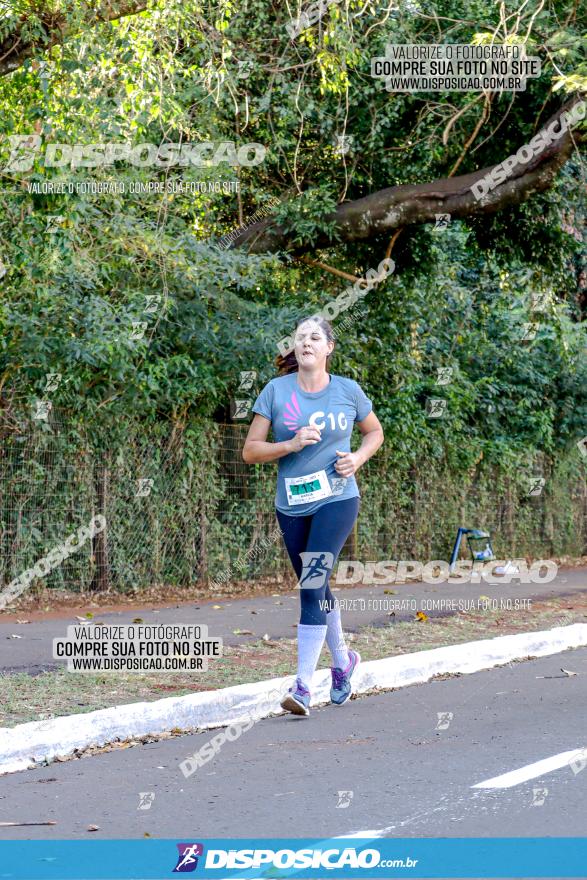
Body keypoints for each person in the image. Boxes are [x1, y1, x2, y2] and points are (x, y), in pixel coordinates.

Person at [242, 316, 384, 715]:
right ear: (295, 347)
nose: (306, 342)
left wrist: (357, 458)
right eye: (301, 336)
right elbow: (250, 451)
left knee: (312, 580)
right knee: (316, 587)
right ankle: (343, 662)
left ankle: (303, 686)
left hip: (338, 499)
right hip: (291, 503)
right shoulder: (275, 392)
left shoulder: (347, 391)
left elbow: (375, 432)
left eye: (315, 337)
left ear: (328, 349)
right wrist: (289, 445)